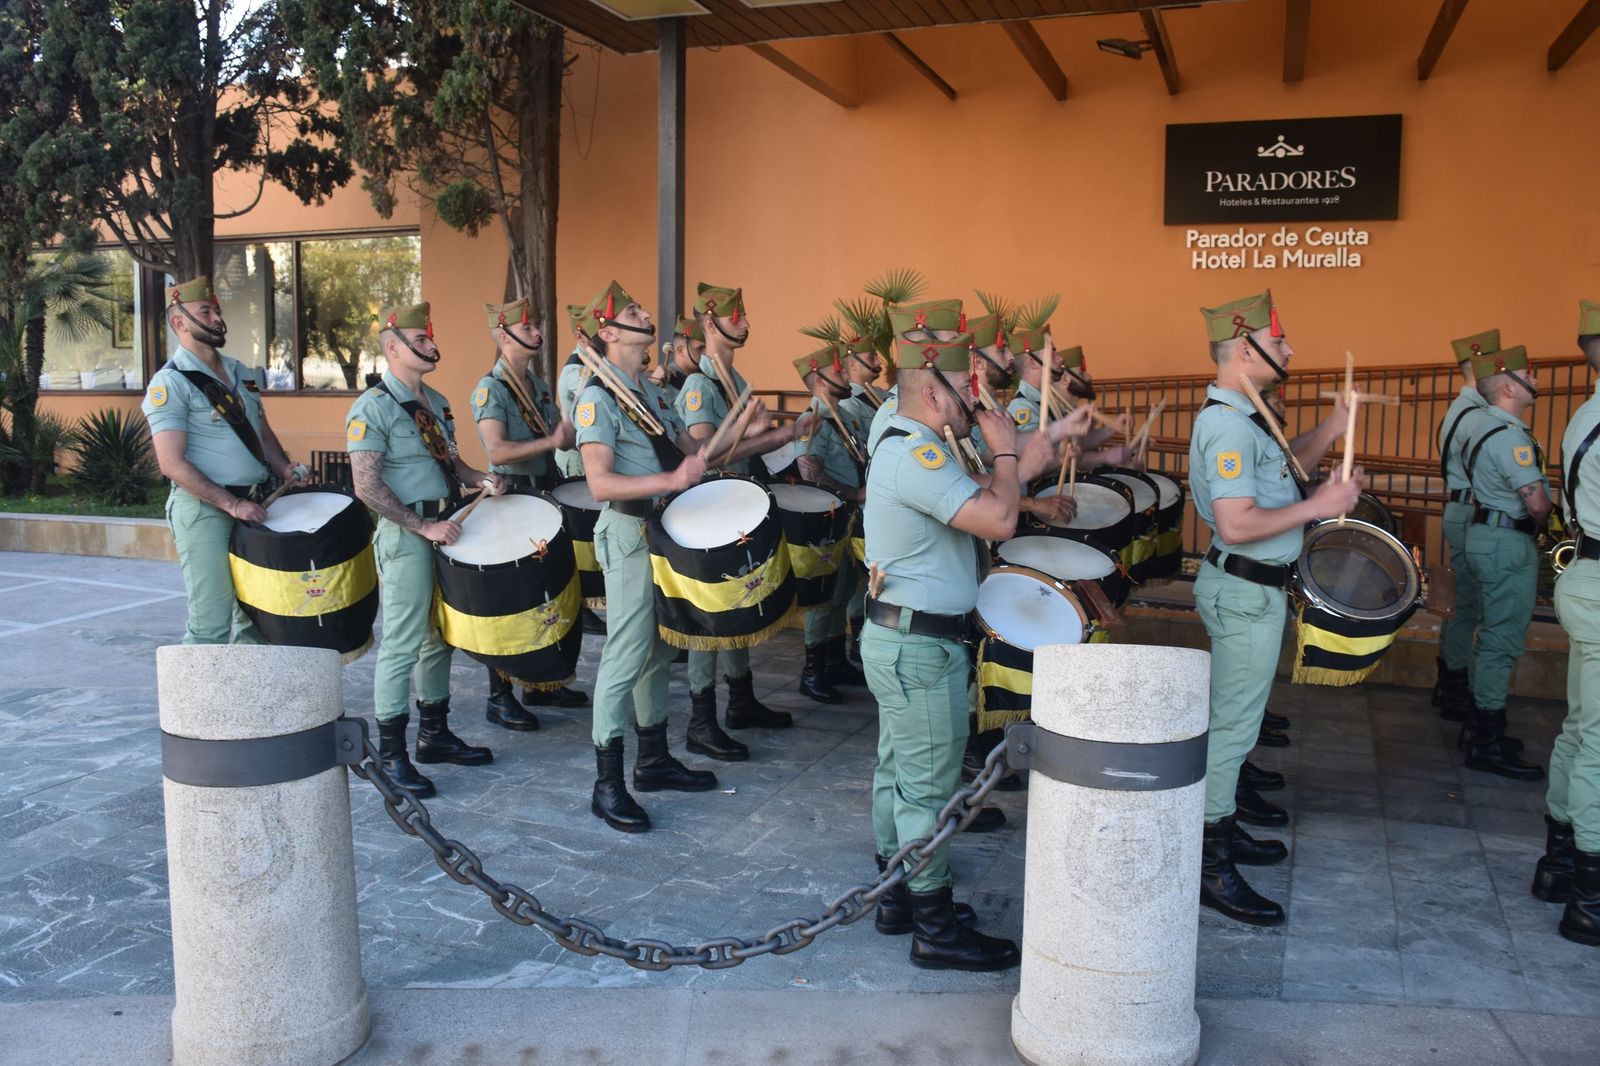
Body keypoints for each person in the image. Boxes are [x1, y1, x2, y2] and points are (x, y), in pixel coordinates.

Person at [863, 321, 1088, 970]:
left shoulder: (914, 440)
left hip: (902, 636)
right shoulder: (918, 453)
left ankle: (898, 894)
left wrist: (1033, 446)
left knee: (899, 773)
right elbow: (998, 514)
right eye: (966, 386)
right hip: (918, 647)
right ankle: (932, 924)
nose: (979, 396)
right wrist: (1009, 454)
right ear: (933, 394)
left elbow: (990, 494)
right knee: (927, 787)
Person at [572, 281, 815, 831]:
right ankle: (606, 782)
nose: (644, 313)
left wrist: (777, 439)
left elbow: (702, 456)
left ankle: (653, 758)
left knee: (659, 652)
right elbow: (600, 483)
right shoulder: (596, 397)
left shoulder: (652, 394)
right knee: (626, 655)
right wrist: (670, 478)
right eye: (630, 312)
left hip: (663, 531)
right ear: (608, 333)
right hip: (630, 533)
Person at [1188, 289, 1358, 926]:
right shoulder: (1229, 423)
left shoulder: (1250, 413)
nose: (1289, 349)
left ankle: (1221, 832)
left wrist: (1330, 431)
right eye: (1280, 340)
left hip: (1254, 589)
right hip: (1244, 588)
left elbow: (1286, 471)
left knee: (1238, 725)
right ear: (1244, 349)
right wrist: (1320, 507)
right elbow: (1236, 522)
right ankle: (1208, 862)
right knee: (1232, 732)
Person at [346, 302, 503, 798]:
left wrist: (482, 479)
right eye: (422, 340)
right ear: (394, 347)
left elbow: (452, 464)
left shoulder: (433, 400)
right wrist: (421, 526)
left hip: (447, 524)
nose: (433, 345)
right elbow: (366, 486)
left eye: (431, 338)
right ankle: (391, 754)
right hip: (408, 533)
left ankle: (434, 734)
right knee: (403, 641)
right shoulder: (371, 406)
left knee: (439, 637)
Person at [144, 275, 306, 646]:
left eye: (217, 310)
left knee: (258, 614)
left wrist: (283, 467)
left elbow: (261, 434)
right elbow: (171, 462)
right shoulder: (170, 383)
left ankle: (244, 702)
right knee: (211, 620)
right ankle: (195, 705)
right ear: (180, 322)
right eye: (206, 311)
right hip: (205, 510)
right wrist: (231, 504)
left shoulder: (241, 373)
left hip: (256, 503)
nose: (217, 317)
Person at [676, 283, 795, 731]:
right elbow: (704, 451)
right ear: (710, 324)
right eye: (735, 316)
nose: (745, 323)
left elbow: (741, 446)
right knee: (709, 614)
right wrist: (765, 433)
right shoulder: (697, 384)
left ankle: (741, 700)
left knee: (738, 601)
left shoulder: (737, 382)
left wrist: (768, 434)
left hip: (735, 501)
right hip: (709, 508)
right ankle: (702, 720)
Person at [469, 297, 587, 729]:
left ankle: (544, 684)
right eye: (528, 326)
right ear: (504, 336)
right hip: (512, 497)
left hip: (544, 491)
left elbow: (563, 437)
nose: (537, 332)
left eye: (536, 324)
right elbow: (496, 449)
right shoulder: (491, 389)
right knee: (511, 599)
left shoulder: (536, 386)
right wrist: (551, 442)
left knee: (548, 590)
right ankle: (500, 695)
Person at [1459, 344, 1550, 780]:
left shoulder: (1481, 426)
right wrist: (1553, 517)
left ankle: (1480, 726)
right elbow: (1535, 502)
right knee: (1502, 640)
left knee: (1487, 633)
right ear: (1510, 386)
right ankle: (1487, 740)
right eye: (1530, 374)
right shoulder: (1511, 436)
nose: (1538, 380)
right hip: (1507, 540)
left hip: (1484, 535)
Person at [1542, 299, 1600, 947]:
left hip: (1587, 574)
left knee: (1584, 726)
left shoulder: (1586, 412)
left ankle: (1559, 862)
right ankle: (1590, 893)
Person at [792, 343, 869, 702]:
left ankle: (836, 660)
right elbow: (810, 473)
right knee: (824, 598)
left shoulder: (846, 418)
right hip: (829, 517)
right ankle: (812, 672)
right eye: (839, 371)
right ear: (819, 379)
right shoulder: (812, 421)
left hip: (849, 519)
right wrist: (854, 494)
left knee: (843, 592)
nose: (846, 374)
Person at [1432, 331, 1496, 723]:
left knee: (1460, 603)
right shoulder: (1476, 416)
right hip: (1470, 512)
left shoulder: (1461, 408)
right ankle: (1457, 686)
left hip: (1460, 510)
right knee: (1467, 606)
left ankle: (1450, 681)